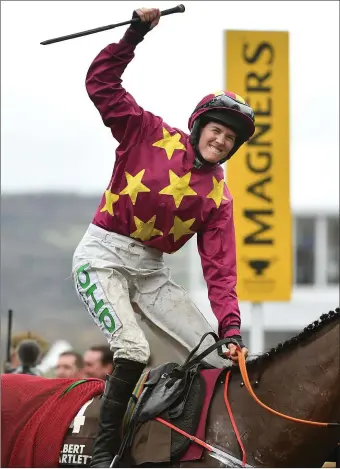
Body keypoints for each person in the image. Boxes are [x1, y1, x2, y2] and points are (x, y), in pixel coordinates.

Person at [72, 7, 254, 467]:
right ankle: (103, 454)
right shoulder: (146, 131)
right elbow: (101, 84)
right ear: (199, 126)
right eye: (217, 130)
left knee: (215, 360)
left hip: (152, 274)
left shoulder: (219, 197)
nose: (222, 142)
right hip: (102, 258)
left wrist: (230, 328)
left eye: (231, 139)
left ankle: (175, 451)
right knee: (131, 348)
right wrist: (135, 33)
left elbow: (220, 270)